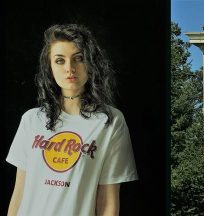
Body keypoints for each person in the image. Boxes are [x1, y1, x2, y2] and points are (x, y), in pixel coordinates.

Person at [6, 24, 137, 216]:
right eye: (59, 60)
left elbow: (108, 202)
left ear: (91, 63)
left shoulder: (110, 122)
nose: (70, 68)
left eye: (79, 59)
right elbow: (19, 193)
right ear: (49, 67)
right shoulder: (31, 120)